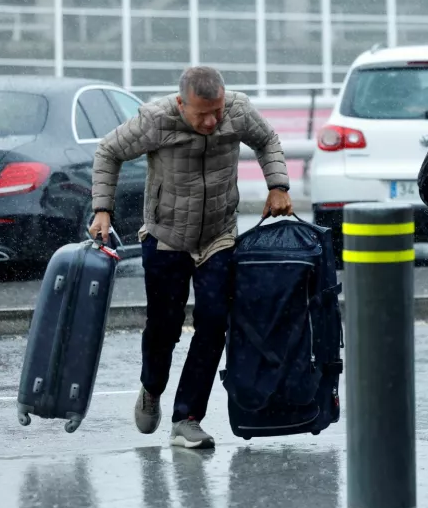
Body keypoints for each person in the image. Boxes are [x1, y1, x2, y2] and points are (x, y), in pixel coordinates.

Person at [88, 66, 293, 449]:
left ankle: (187, 418)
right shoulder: (156, 119)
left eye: (217, 110)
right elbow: (109, 151)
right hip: (166, 238)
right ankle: (152, 387)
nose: (213, 120)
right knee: (164, 327)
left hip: (218, 236)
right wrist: (103, 210)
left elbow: (267, 140)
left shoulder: (236, 111)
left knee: (215, 323)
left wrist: (277, 185)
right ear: (181, 104)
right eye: (202, 113)